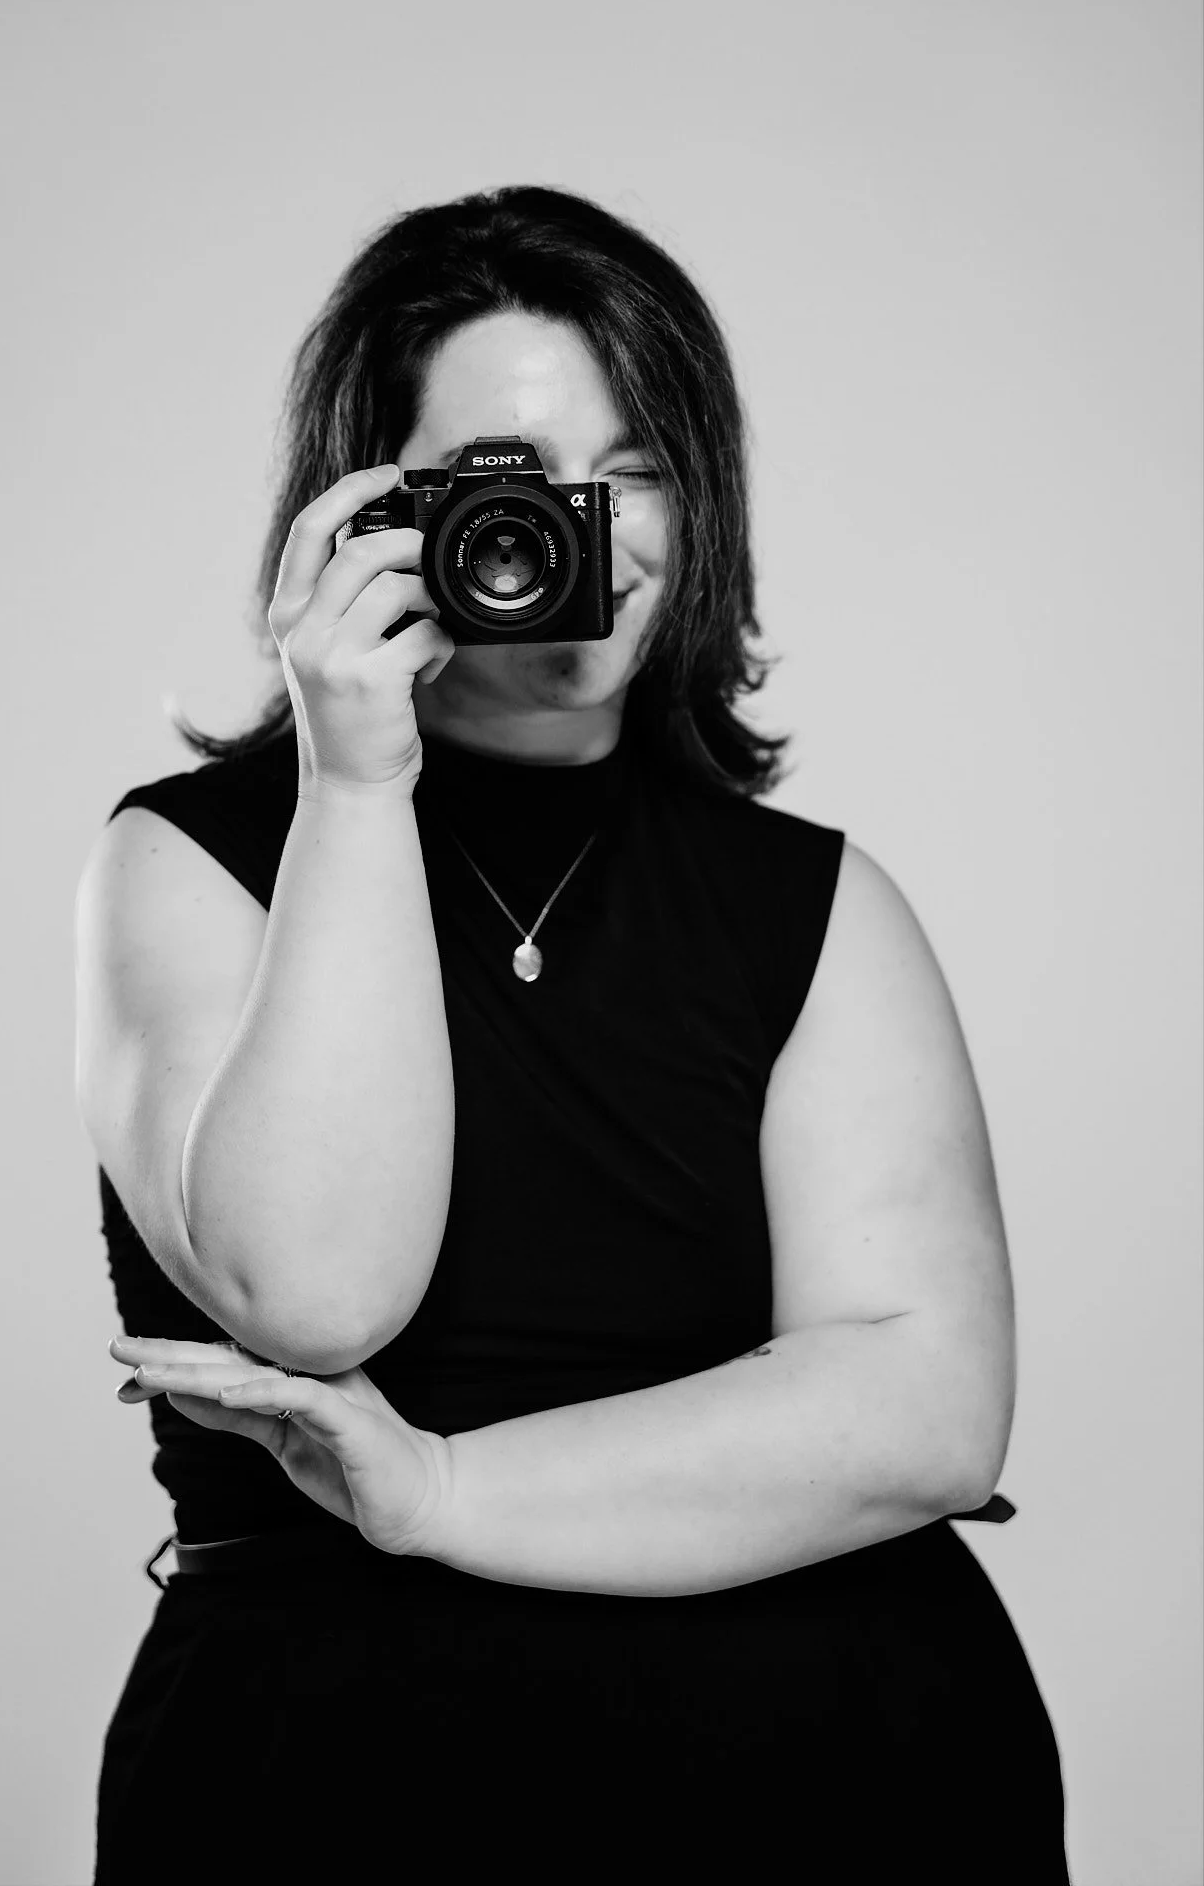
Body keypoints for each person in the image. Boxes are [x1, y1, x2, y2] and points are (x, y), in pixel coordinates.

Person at [74, 185, 1071, 1880]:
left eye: (632, 470)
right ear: (367, 510)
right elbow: (318, 1293)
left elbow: (923, 1409)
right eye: (507, 486)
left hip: (839, 1774)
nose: (573, 531)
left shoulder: (815, 903)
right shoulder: (187, 863)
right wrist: (353, 778)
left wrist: (442, 1495)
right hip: (326, 1776)